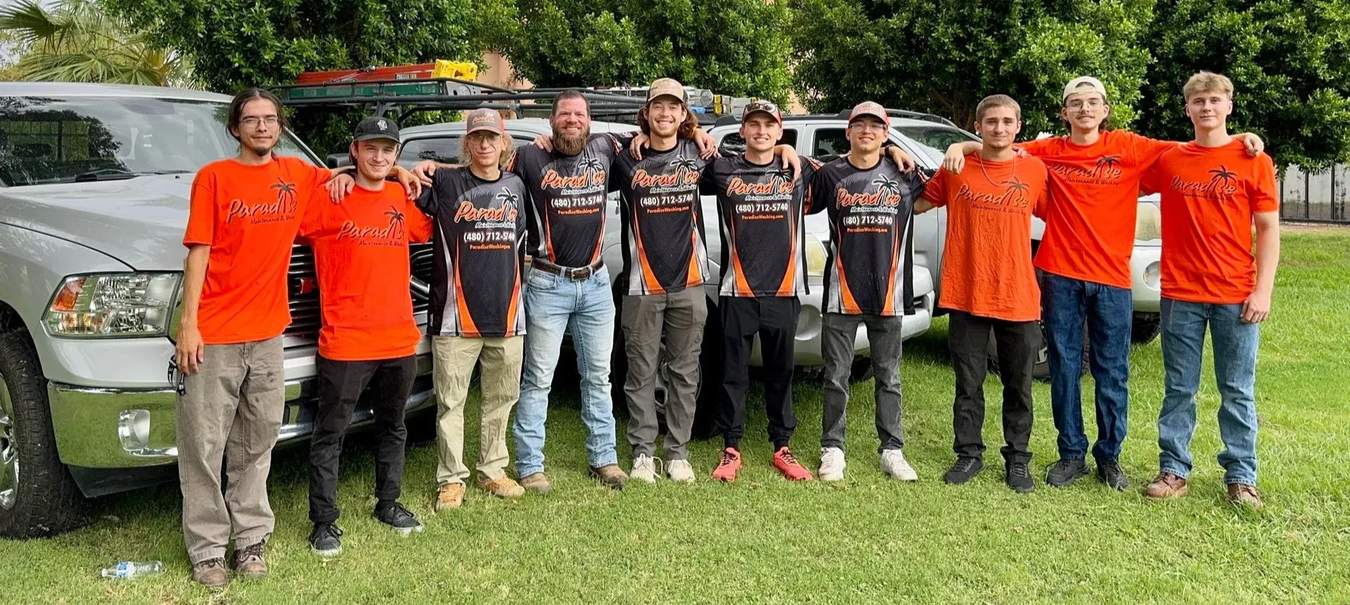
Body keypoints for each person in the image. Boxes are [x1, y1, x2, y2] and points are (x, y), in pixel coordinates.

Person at [941, 77, 1264, 491]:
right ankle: (1071, 454)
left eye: (1093, 102)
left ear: (1105, 110)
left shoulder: (1130, 147)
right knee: (1064, 367)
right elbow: (999, 146)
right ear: (1065, 113)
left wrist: (1242, 138)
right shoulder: (1048, 153)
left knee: (1113, 370)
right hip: (1060, 275)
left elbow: (1199, 145)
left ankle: (1110, 457)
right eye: (1075, 103)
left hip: (1113, 278)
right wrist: (961, 146)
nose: (1085, 109)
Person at [174, 88, 417, 587]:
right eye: (251, 119)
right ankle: (206, 550)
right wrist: (188, 323)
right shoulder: (213, 178)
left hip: (269, 335)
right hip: (216, 332)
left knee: (256, 442)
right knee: (203, 446)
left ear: (280, 127)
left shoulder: (298, 175)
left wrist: (402, 170)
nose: (262, 127)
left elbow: (359, 173)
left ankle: (250, 541)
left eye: (270, 119)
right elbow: (197, 252)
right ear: (236, 127)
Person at [611, 78, 800, 483]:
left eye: (673, 107)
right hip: (641, 285)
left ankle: (676, 451)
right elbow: (576, 144)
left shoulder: (703, 159)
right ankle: (643, 451)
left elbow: (753, 161)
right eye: (657, 107)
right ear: (646, 113)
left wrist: (782, 147)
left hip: (690, 284)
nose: (664, 113)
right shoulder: (625, 158)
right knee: (640, 371)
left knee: (685, 371)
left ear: (683, 114)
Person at [1141, 71, 1279, 510]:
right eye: (1198, 101)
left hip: (1235, 293)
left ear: (1228, 106)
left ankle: (1241, 477)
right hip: (1180, 292)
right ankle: (1174, 470)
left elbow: (1269, 228)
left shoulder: (1254, 159)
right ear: (1187, 109)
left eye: (1215, 100)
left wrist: (1263, 291)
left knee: (1237, 389)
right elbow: (1112, 171)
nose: (1206, 108)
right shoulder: (1170, 160)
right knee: (1179, 387)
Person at [300, 116, 432, 557]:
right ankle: (323, 522)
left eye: (388, 150)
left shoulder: (401, 195)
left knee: (393, 427)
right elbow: (282, 187)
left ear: (396, 154)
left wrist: (404, 173)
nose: (379, 157)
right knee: (330, 433)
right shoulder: (327, 199)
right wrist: (333, 174)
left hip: (398, 340)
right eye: (370, 148)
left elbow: (438, 213)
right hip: (345, 341)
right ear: (354, 150)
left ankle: (388, 503)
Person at [915, 94, 1050, 494]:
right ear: (978, 126)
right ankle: (969, 453)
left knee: (1019, 383)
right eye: (991, 122)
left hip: (1018, 295)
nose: (999, 129)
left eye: (1007, 121)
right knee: (968, 384)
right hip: (966, 292)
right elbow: (918, 202)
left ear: (1018, 126)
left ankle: (1018, 458)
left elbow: (1057, 210)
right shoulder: (956, 168)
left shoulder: (1035, 170)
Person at [806, 101, 925, 483]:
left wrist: (898, 152)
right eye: (860, 125)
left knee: (888, 376)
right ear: (849, 132)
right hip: (842, 292)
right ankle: (833, 449)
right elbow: (794, 189)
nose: (867, 131)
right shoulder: (832, 174)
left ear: (885, 133)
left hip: (887, 293)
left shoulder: (903, 172)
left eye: (876, 126)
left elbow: (941, 187)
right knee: (836, 375)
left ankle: (892, 449)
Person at [416, 108, 529, 510]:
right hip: (454, 316)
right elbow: (397, 174)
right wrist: (416, 167)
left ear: (503, 143)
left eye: (491, 137)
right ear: (467, 143)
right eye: (477, 137)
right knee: (451, 403)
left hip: (507, 313)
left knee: (501, 398)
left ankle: (493, 470)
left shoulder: (517, 186)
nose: (484, 144)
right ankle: (451, 478)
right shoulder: (446, 182)